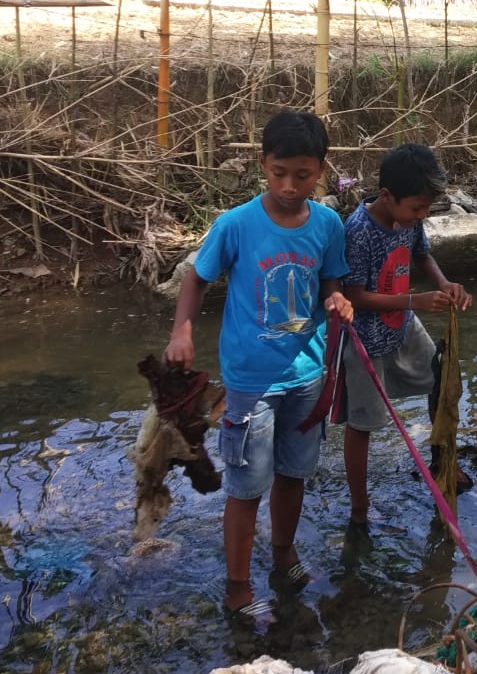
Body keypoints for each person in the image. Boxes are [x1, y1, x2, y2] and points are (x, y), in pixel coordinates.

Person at [163, 110, 353, 626]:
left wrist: (337, 302)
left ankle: (285, 552)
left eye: (303, 175)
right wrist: (182, 330)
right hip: (250, 384)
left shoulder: (329, 225)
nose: (290, 186)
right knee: (246, 487)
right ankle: (238, 583)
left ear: (321, 171)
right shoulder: (236, 225)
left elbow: (332, 283)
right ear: (262, 166)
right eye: (279, 173)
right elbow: (196, 279)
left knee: (294, 475)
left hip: (308, 376)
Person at [340, 143, 472, 526]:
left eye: (426, 209)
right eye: (416, 208)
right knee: (362, 424)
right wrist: (414, 300)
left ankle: (442, 463)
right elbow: (354, 296)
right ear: (386, 196)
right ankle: (359, 506)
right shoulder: (359, 230)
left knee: (440, 380)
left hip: (401, 326)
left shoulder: (411, 220)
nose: (422, 216)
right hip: (366, 340)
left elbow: (422, 254)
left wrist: (446, 285)